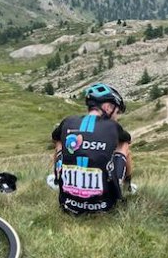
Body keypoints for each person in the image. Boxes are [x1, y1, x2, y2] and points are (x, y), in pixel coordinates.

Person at [51, 83, 133, 215]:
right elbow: (127, 139)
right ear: (107, 107)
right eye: (117, 112)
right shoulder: (113, 126)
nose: (117, 117)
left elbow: (55, 138)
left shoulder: (68, 121)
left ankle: (57, 180)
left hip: (67, 205)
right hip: (105, 207)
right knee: (124, 145)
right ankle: (128, 185)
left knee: (60, 142)